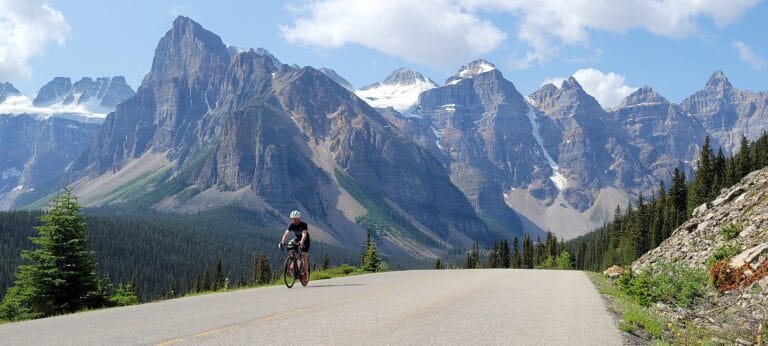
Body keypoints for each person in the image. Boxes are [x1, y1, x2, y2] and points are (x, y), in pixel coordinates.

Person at [280, 210, 310, 283]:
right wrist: (282, 242)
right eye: (293, 219)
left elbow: (304, 234)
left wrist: (302, 243)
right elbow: (286, 233)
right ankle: (293, 260)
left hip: (305, 241)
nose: (294, 220)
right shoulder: (292, 225)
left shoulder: (303, 225)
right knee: (290, 247)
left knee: (303, 256)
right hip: (297, 239)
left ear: (299, 218)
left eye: (296, 218)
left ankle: (305, 275)